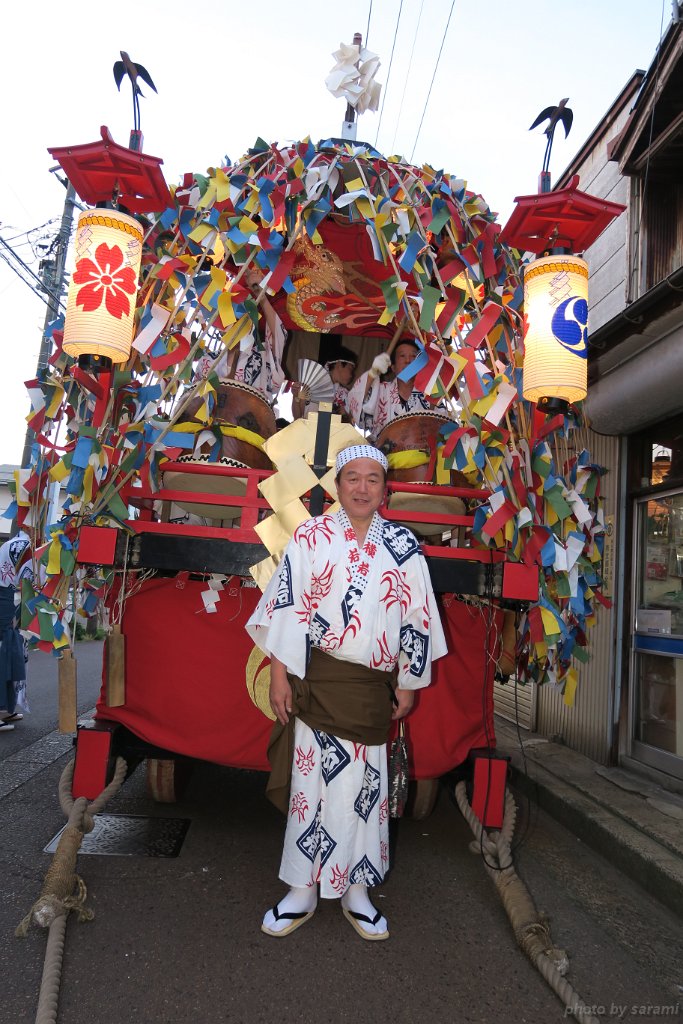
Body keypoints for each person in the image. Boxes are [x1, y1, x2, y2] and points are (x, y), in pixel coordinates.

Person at [246, 444, 447, 940]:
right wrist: (278, 674)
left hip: (370, 691)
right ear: (336, 486)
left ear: (385, 488)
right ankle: (301, 887)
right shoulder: (311, 535)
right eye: (352, 477)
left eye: (372, 478)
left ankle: (358, 889)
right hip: (318, 684)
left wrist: (407, 681)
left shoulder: (403, 545)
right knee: (309, 791)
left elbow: (417, 615)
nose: (361, 487)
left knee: (365, 793)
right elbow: (288, 607)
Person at [347, 339, 435, 441]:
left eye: (413, 356)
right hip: (383, 449)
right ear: (393, 367)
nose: (408, 360)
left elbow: (439, 425)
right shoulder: (381, 390)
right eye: (402, 356)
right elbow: (354, 405)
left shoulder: (429, 394)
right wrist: (372, 373)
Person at [0, 528, 33, 732]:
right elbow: (29, 576)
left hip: (6, 595)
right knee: (3, 653)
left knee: (10, 653)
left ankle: (5, 707)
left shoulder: (16, 544)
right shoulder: (21, 545)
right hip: (3, 596)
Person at [292, 344, 357, 420]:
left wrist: (344, 416)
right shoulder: (311, 385)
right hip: (307, 427)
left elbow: (349, 422)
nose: (352, 375)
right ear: (339, 365)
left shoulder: (345, 395)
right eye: (350, 369)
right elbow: (297, 417)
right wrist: (295, 396)